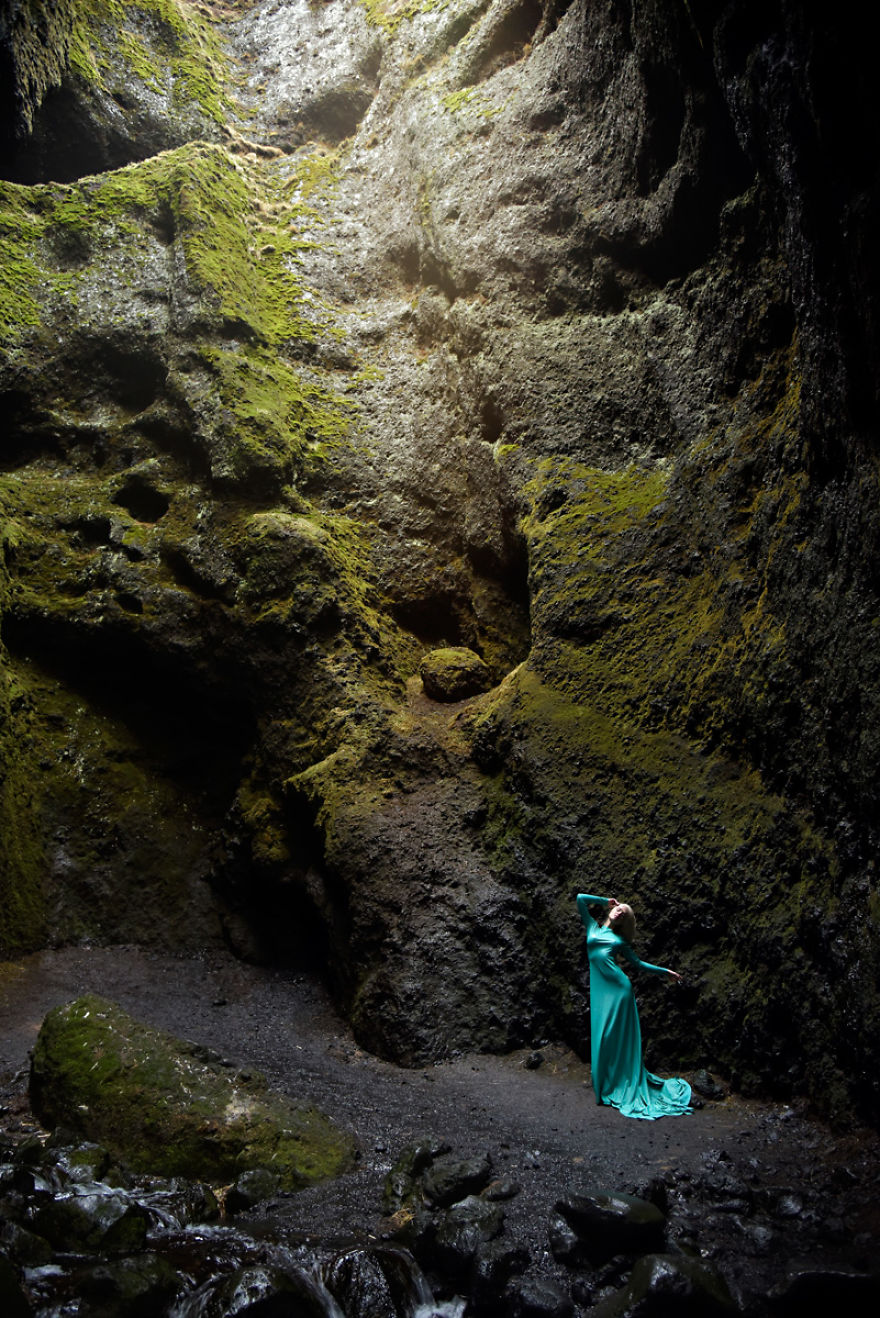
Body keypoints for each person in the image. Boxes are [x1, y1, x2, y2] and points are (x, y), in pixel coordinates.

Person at [576, 892, 692, 1120]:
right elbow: (580, 898)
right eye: (619, 908)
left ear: (623, 921)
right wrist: (604, 901)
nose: (619, 912)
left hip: (619, 990)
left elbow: (638, 964)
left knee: (612, 1036)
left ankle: (619, 1082)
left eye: (624, 913)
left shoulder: (619, 941)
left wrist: (665, 972)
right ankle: (606, 1082)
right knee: (602, 1036)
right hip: (600, 991)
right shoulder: (592, 926)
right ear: (612, 909)